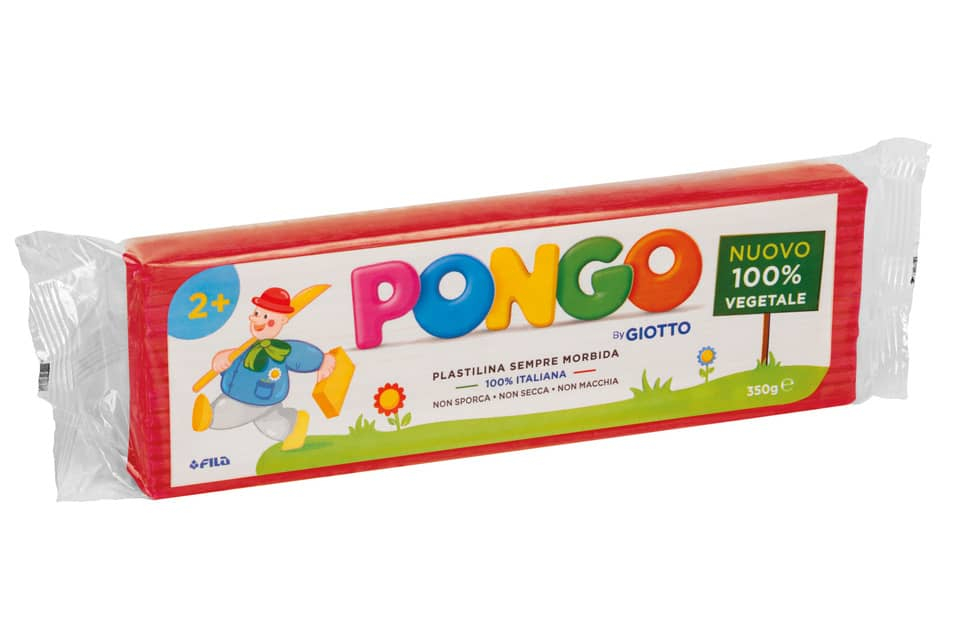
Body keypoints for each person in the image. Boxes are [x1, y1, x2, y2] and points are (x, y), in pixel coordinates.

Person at [191, 286, 335, 451]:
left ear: (282, 321)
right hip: (237, 395)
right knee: (268, 424)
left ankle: (210, 417)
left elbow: (301, 355)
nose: (257, 320)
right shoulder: (245, 349)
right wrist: (221, 359)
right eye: (257, 313)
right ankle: (293, 427)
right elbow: (233, 362)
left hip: (263, 397)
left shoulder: (280, 350)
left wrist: (322, 360)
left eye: (266, 316)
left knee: (230, 416)